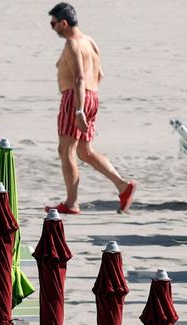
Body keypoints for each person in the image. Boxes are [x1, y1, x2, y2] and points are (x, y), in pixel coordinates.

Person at [46, 2, 135, 214]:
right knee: (85, 152)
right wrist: (88, 102)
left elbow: (78, 77)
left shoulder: (73, 44)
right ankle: (123, 186)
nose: (53, 27)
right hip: (92, 96)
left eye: (53, 24)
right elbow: (100, 74)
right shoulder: (90, 41)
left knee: (66, 150)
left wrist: (79, 110)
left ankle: (71, 203)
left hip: (76, 99)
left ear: (64, 23)